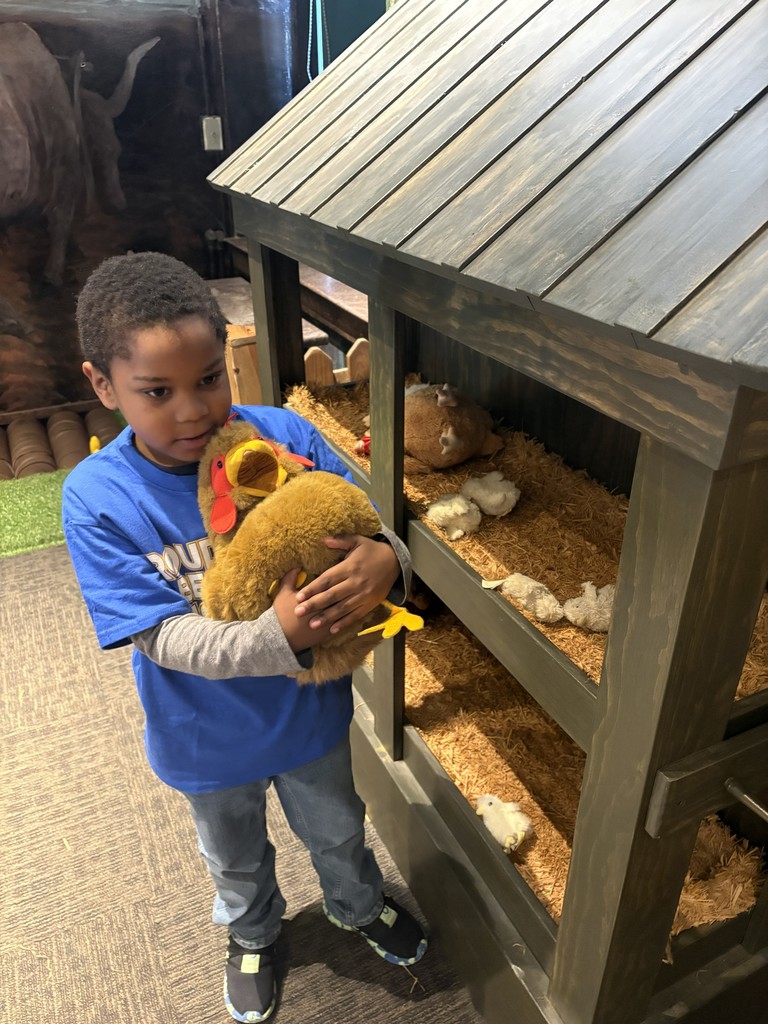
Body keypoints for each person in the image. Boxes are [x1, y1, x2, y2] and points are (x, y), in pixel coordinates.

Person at [62, 252, 428, 1023]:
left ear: (228, 355)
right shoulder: (97, 499)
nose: (192, 411)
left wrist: (386, 560)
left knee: (337, 827)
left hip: (311, 718)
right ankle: (253, 931)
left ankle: (357, 906)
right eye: (156, 393)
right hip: (204, 736)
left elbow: (363, 524)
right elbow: (161, 637)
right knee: (233, 855)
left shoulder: (284, 434)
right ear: (102, 385)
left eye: (207, 379)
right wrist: (278, 636)